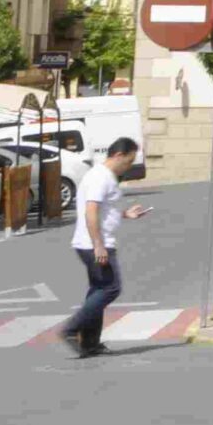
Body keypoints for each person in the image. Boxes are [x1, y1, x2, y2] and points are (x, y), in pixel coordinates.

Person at [59, 138, 148, 358]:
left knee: (98, 290)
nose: (129, 166)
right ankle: (71, 329)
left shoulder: (104, 176)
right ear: (118, 155)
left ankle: (89, 343)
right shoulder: (100, 177)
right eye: (128, 161)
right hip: (95, 244)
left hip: (92, 242)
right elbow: (91, 211)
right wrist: (98, 245)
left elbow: (104, 210)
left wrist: (125, 214)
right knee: (110, 288)